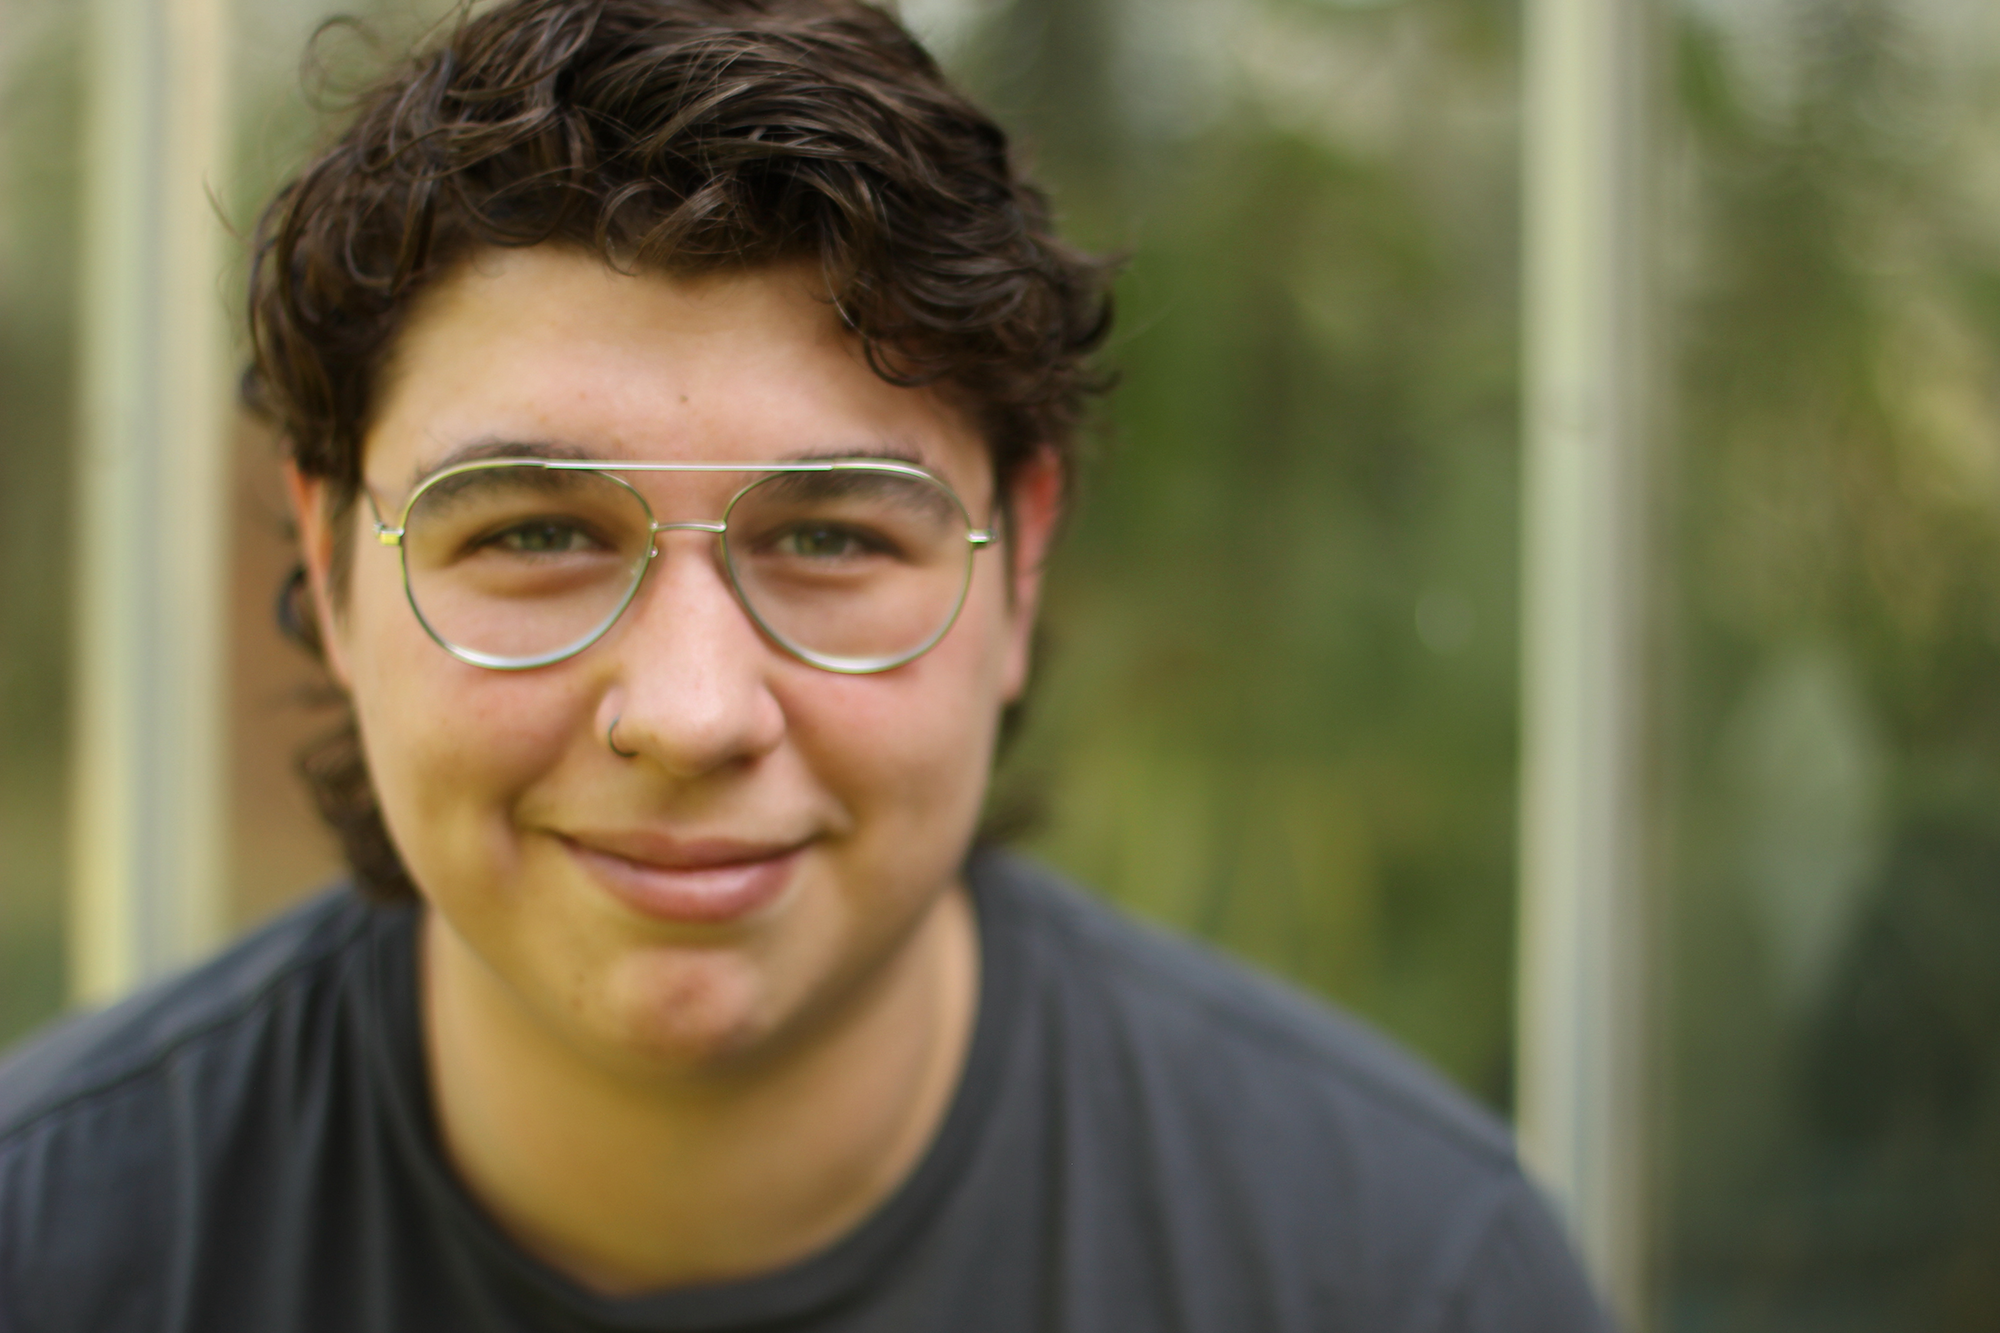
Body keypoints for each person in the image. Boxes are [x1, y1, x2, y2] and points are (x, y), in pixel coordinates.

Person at [0, 2, 1611, 1329]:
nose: (693, 713)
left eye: (834, 539)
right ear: (336, 568)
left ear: (1020, 562)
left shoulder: (1409, 1275)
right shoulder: (47, 1246)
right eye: (535, 534)